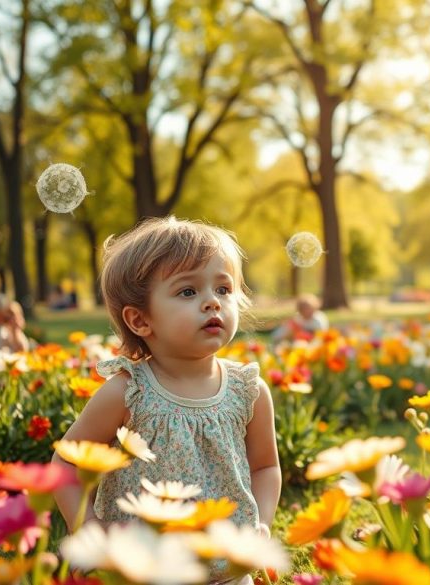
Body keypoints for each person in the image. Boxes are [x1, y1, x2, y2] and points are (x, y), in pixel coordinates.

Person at [51, 217, 279, 584]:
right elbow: (64, 462)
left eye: (223, 289)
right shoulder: (128, 392)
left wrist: (262, 526)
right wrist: (88, 528)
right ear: (140, 320)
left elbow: (265, 467)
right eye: (188, 292)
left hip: (228, 572)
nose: (212, 303)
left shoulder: (247, 390)